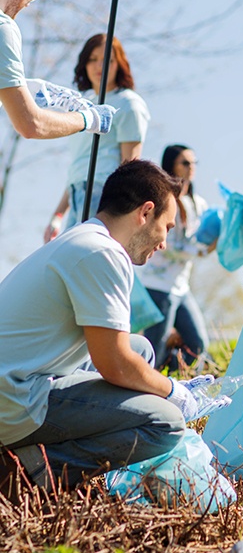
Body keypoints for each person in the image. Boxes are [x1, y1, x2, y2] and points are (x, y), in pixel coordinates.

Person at [0, 160, 200, 504]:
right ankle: (26, 471)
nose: (164, 243)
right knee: (166, 422)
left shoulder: (83, 238)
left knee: (141, 349)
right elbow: (115, 365)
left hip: (20, 380)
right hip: (13, 401)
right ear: (145, 212)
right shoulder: (102, 253)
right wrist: (174, 391)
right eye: (166, 226)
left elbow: (122, 352)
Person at [0, 0, 115, 141]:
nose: (28, 3)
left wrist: (21, 87)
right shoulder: (3, 27)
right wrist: (89, 118)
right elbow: (31, 125)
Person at [45, 33, 150, 239]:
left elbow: (130, 167)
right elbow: (79, 167)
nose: (98, 66)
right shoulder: (81, 106)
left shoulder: (128, 104)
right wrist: (58, 214)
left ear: (119, 63)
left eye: (107, 60)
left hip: (104, 194)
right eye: (92, 59)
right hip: (78, 193)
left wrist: (121, 212)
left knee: (83, 260)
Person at [138, 144, 211, 371]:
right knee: (153, 348)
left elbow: (200, 238)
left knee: (198, 345)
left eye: (194, 163)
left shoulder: (199, 203)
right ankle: (144, 387)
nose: (191, 168)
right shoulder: (163, 199)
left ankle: (166, 381)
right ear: (172, 166)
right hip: (158, 284)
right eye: (185, 163)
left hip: (181, 286)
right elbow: (164, 242)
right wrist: (199, 251)